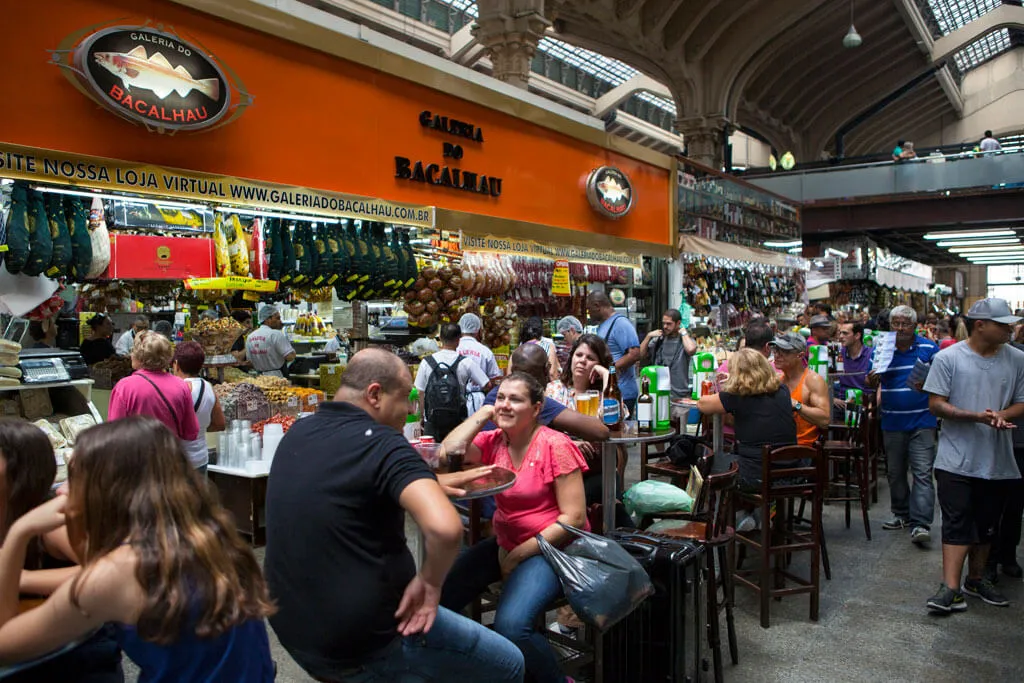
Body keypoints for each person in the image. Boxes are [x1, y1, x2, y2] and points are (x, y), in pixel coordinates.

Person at [265, 348, 524, 682]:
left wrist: (430, 483)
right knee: (510, 664)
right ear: (375, 394)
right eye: (405, 400)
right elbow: (445, 529)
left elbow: (350, 485)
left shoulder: (300, 431)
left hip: (293, 629)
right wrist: (429, 584)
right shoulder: (384, 443)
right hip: (368, 640)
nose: (410, 411)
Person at [0, 417, 276, 680]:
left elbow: (5, 644)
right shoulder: (206, 535)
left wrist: (19, 532)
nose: (61, 491)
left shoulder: (117, 572)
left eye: (75, 478)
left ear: (110, 489)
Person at [440, 373, 589, 683]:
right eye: (501, 398)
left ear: (536, 409)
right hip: (507, 543)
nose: (505, 405)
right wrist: (484, 413)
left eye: (515, 399)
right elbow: (446, 454)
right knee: (438, 598)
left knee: (512, 627)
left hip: (555, 549)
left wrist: (518, 555)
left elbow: (574, 518)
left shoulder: (555, 444)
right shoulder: (493, 440)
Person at [0, 419, 124, 683]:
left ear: (19, 468)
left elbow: (108, 569)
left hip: (74, 655)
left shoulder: (50, 521)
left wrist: (22, 578)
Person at [923, 299, 1024, 613]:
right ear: (980, 325)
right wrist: (974, 416)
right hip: (955, 458)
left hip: (997, 460)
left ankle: (976, 579)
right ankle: (950, 587)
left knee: (987, 524)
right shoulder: (948, 357)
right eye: (1003, 324)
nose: (1010, 329)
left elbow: (1022, 401)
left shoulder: (1017, 359)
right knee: (956, 520)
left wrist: (1001, 415)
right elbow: (935, 404)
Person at [697, 347, 797, 524]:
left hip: (758, 475)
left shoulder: (738, 395)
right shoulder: (782, 390)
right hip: (790, 472)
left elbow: (703, 404)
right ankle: (753, 514)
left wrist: (729, 384)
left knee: (708, 462)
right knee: (738, 458)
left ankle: (719, 521)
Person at [869, 306, 939, 546]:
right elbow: (870, 380)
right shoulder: (882, 348)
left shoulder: (929, 348)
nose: (900, 328)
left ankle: (921, 523)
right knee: (895, 472)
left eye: (905, 324)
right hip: (893, 420)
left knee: (922, 472)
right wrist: (872, 378)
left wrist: (929, 384)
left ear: (915, 326)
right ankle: (901, 514)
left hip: (923, 420)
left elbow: (943, 379)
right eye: (895, 323)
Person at [483, 344, 609, 443]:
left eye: (590, 358)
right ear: (546, 370)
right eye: (579, 355)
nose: (582, 361)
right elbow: (600, 431)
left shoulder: (495, 393)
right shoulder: (532, 396)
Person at [108, 331, 200, 445]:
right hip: (169, 453)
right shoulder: (181, 386)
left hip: (136, 454)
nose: (131, 355)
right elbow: (191, 433)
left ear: (140, 357)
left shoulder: (124, 387)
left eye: (133, 350)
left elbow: (115, 435)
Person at [985, 332, 1024, 582]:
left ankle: (1007, 555)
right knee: (991, 504)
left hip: (1020, 442)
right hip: (995, 436)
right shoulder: (1010, 356)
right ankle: (988, 560)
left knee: (1014, 505)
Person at [415, 323, 491, 440]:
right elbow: (487, 384)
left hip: (432, 421)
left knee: (431, 450)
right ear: (458, 340)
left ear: (440, 338)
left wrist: (421, 417)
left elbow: (420, 391)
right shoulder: (466, 362)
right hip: (457, 421)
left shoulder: (426, 362)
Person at [171, 341, 226, 474]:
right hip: (200, 458)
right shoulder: (208, 387)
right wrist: (200, 429)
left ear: (176, 364)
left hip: (177, 460)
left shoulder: (175, 389)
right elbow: (220, 424)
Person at [770, 332, 829, 447]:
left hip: (803, 447)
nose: (777, 355)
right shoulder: (777, 380)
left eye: (784, 351)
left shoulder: (812, 380)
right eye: (776, 350)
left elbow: (825, 420)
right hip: (777, 445)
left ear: (800, 355)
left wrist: (797, 406)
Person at [587, 291, 641, 416]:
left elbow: (634, 354)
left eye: (589, 309)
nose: (589, 314)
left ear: (597, 306)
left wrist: (609, 370)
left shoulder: (621, 323)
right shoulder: (603, 325)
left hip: (622, 393)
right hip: (609, 391)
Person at [640, 309, 697, 400]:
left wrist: (684, 332)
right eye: (664, 323)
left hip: (679, 395)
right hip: (658, 393)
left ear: (678, 323)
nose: (665, 326)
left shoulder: (684, 340)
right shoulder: (659, 340)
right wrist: (648, 336)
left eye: (669, 324)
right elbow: (640, 355)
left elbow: (691, 350)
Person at [457, 313, 502, 413]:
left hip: (454, 399)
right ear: (478, 330)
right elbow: (495, 378)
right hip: (478, 401)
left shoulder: (453, 348)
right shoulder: (485, 351)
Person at [245, 305, 296, 377]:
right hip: (277, 377)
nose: (280, 321)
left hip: (259, 377)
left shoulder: (250, 337)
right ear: (268, 319)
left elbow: (249, 362)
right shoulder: (276, 334)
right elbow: (290, 356)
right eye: (277, 318)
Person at [835, 321, 871, 407]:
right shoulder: (838, 354)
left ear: (857, 335)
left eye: (845, 333)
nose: (841, 336)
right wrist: (832, 399)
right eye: (840, 333)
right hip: (842, 401)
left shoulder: (871, 354)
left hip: (864, 401)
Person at [520, 316, 560, 383]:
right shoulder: (549, 346)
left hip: (523, 386)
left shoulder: (519, 348)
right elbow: (552, 373)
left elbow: (510, 373)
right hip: (541, 387)